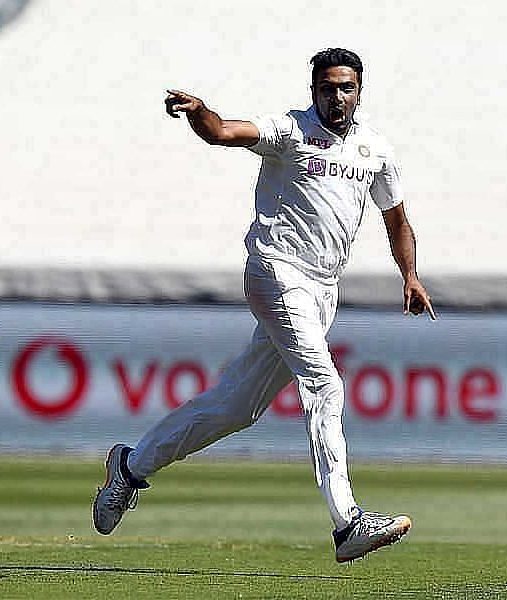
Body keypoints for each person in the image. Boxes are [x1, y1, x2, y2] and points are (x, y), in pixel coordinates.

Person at [93, 48, 437, 563]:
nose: (336, 97)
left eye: (345, 88)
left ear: (359, 92)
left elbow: (396, 219)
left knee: (235, 407)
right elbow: (224, 132)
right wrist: (200, 113)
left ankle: (131, 466)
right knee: (324, 382)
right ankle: (347, 523)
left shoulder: (375, 152)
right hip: (276, 271)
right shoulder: (290, 131)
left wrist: (409, 275)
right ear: (313, 90)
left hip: (322, 289)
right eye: (326, 87)